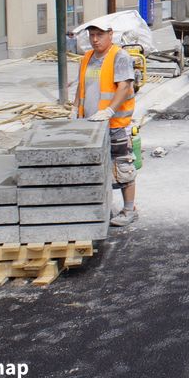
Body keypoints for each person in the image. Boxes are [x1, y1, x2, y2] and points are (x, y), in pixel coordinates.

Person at [74, 24, 138, 227]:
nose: (94, 39)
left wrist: (109, 110)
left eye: (99, 35)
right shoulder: (87, 58)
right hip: (91, 125)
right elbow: (81, 86)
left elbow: (125, 86)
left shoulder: (120, 57)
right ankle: (102, 207)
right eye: (91, 35)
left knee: (123, 167)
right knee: (96, 168)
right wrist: (75, 109)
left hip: (115, 124)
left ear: (110, 34)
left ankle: (129, 210)